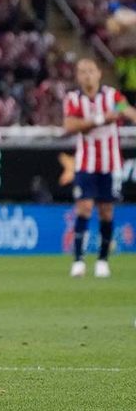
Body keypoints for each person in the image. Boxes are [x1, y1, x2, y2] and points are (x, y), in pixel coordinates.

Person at [62, 58, 136, 278]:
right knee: (84, 207)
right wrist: (101, 119)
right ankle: (78, 260)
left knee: (106, 210)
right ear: (77, 76)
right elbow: (71, 125)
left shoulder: (112, 96)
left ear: (99, 73)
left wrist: (129, 115)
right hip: (86, 162)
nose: (87, 75)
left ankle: (103, 260)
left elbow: (127, 110)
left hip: (110, 163)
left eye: (90, 71)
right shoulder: (73, 99)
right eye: (82, 72)